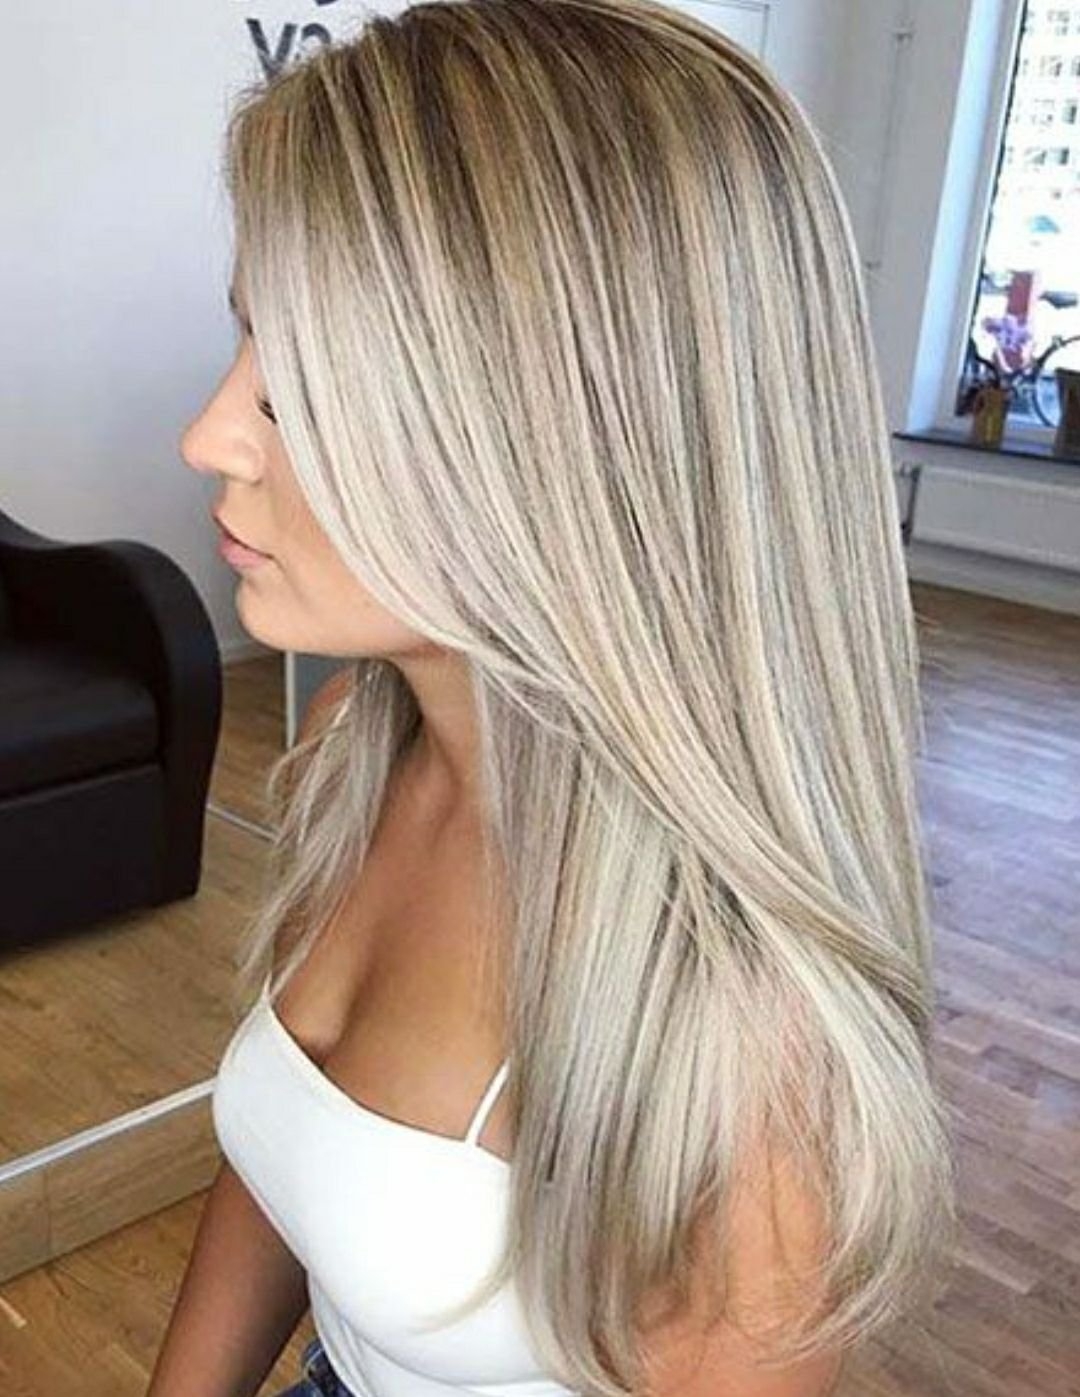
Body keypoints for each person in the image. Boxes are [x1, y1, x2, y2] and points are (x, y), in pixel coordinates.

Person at [151, 1, 957, 1393]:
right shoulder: (358, 749)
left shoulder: (753, 1041)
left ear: (551, 441)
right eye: (247, 346)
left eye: (300, 389)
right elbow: (289, 1165)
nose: (209, 434)